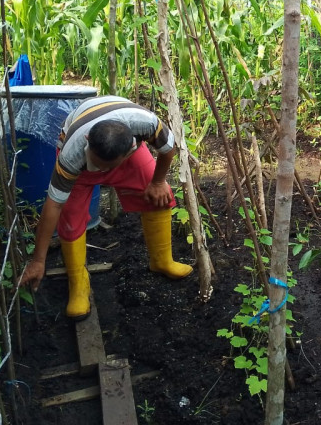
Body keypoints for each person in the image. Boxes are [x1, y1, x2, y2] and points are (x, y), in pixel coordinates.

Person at [19, 96, 192, 320]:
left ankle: (161, 261)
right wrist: (38, 261)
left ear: (131, 148)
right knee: (70, 217)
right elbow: (54, 205)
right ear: (88, 139)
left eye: (105, 168)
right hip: (80, 158)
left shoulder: (147, 124)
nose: (99, 170)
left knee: (160, 195)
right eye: (95, 163)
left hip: (121, 145)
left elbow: (168, 149)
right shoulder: (72, 155)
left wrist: (158, 182)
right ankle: (79, 282)